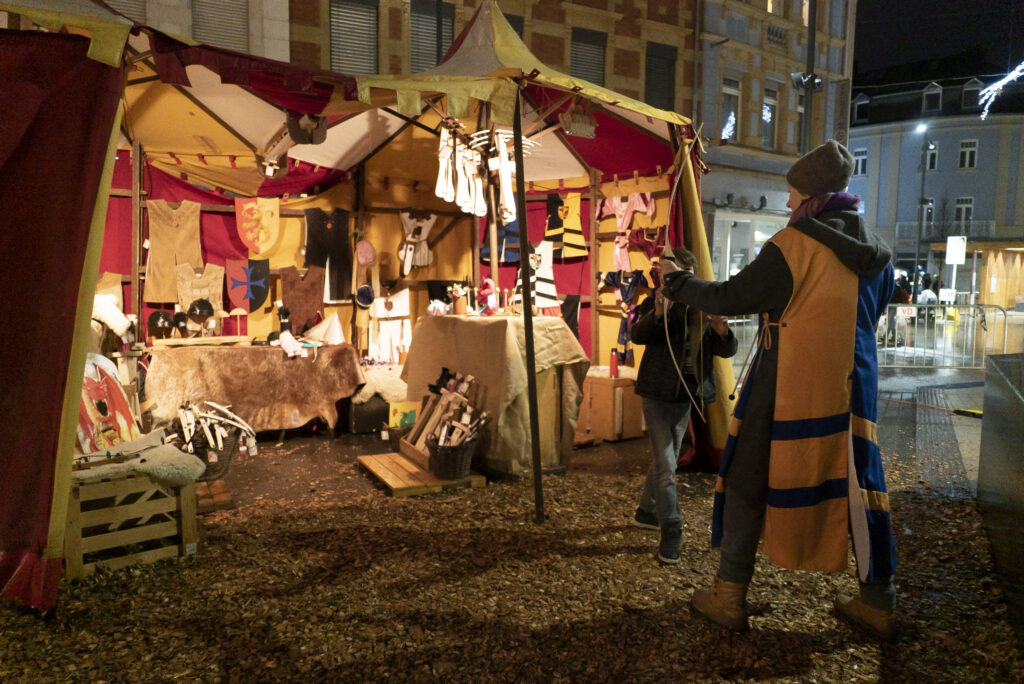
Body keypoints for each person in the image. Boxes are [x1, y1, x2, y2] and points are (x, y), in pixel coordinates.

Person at [659, 140, 898, 639]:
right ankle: (879, 602)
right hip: (855, 388)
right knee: (861, 490)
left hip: (785, 386)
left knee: (748, 479)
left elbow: (731, 296)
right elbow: (868, 318)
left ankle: (729, 597)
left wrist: (678, 282)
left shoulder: (792, 245)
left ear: (810, 197)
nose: (787, 204)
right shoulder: (876, 249)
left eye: (791, 194)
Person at [629, 248, 738, 564]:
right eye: (671, 275)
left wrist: (722, 331)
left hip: (686, 396)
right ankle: (671, 530)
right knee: (666, 467)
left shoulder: (704, 305)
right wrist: (660, 311)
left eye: (680, 275)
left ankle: (646, 511)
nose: (675, 280)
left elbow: (724, 349)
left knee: (668, 460)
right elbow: (638, 334)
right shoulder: (657, 300)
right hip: (657, 394)